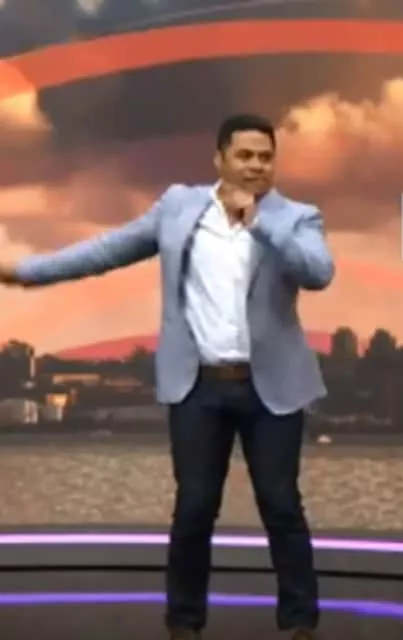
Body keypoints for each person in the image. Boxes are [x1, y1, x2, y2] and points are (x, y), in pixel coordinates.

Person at [0, 113, 334, 639]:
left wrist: (260, 221)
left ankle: (299, 623)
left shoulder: (296, 217)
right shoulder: (179, 207)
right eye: (245, 156)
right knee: (194, 508)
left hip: (271, 389)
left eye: (266, 157)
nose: (256, 166)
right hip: (198, 385)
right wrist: (25, 273)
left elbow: (318, 273)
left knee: (281, 506)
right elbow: (107, 251)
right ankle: (184, 622)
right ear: (219, 159)